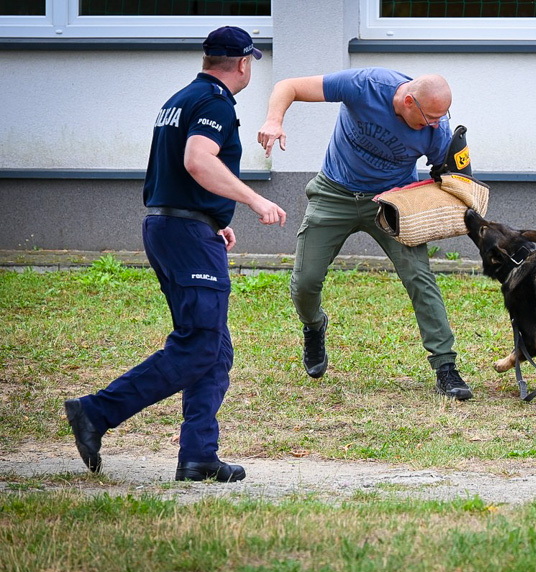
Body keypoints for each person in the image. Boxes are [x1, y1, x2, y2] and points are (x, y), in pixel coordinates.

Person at [64, 26, 287, 482]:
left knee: (214, 348)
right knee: (199, 344)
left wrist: (213, 219)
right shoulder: (215, 104)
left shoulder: (180, 99)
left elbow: (176, 171)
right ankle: (95, 412)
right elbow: (197, 160)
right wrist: (253, 200)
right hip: (183, 233)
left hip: (174, 226)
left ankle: (199, 455)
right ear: (244, 63)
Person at [256, 67, 474, 400]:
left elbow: (450, 178)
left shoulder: (437, 130)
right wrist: (274, 120)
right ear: (408, 100)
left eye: (440, 118)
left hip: (390, 202)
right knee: (305, 281)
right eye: (429, 117)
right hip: (334, 193)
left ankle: (445, 367)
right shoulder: (366, 86)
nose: (434, 125)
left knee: (420, 278)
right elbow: (289, 85)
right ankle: (315, 326)